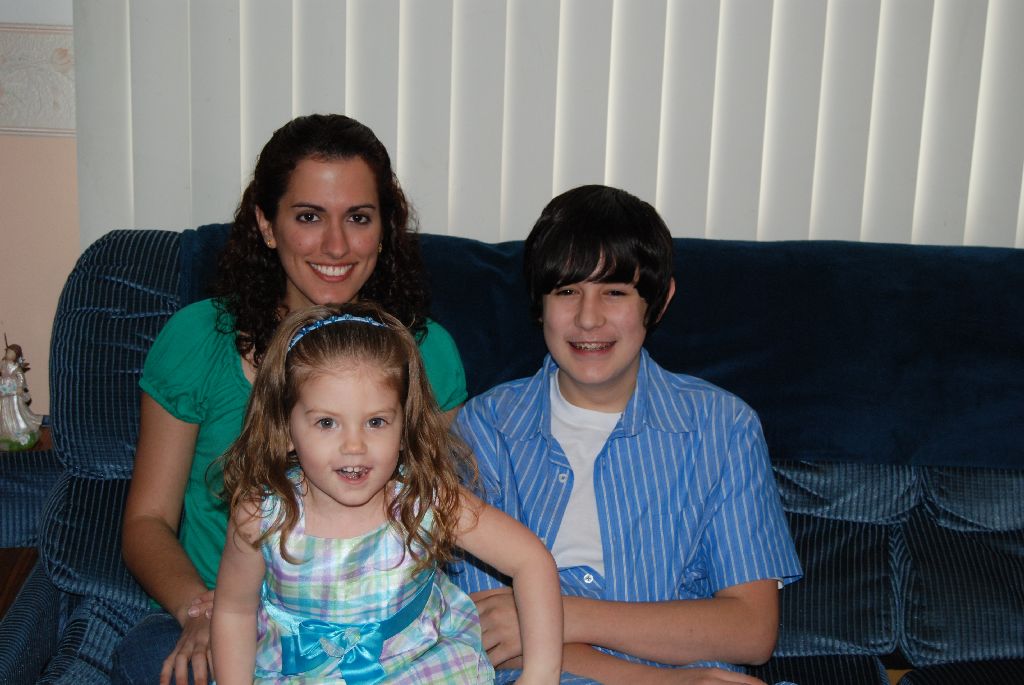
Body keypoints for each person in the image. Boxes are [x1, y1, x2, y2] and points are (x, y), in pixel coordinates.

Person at [114, 114, 468, 685]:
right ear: (267, 224)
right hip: (220, 610)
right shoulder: (198, 340)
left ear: (385, 228)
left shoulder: (427, 355)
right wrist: (199, 610)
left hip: (370, 629)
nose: (336, 244)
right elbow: (148, 520)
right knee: (156, 663)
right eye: (309, 216)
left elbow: (434, 507)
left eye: (359, 218)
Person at [452, 185, 803, 684]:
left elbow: (751, 629)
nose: (587, 317)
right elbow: (488, 634)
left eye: (615, 292)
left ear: (657, 303)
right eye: (566, 291)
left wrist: (558, 614)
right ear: (539, 303)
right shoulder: (485, 428)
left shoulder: (724, 427)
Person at [211, 303, 562, 684]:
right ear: (285, 428)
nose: (354, 446)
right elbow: (234, 611)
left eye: (376, 422)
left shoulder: (425, 501)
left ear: (404, 426)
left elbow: (530, 560)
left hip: (419, 669)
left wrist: (541, 674)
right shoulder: (261, 517)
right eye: (327, 423)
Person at [0, 342, 43, 450]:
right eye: (8, 352)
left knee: (15, 408)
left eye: (12, 353)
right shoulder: (3, 363)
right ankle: (6, 428)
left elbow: (21, 377)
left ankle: (19, 427)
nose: (9, 354)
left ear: (16, 356)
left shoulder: (16, 366)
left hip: (13, 389)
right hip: (3, 387)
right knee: (4, 406)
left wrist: (20, 387)